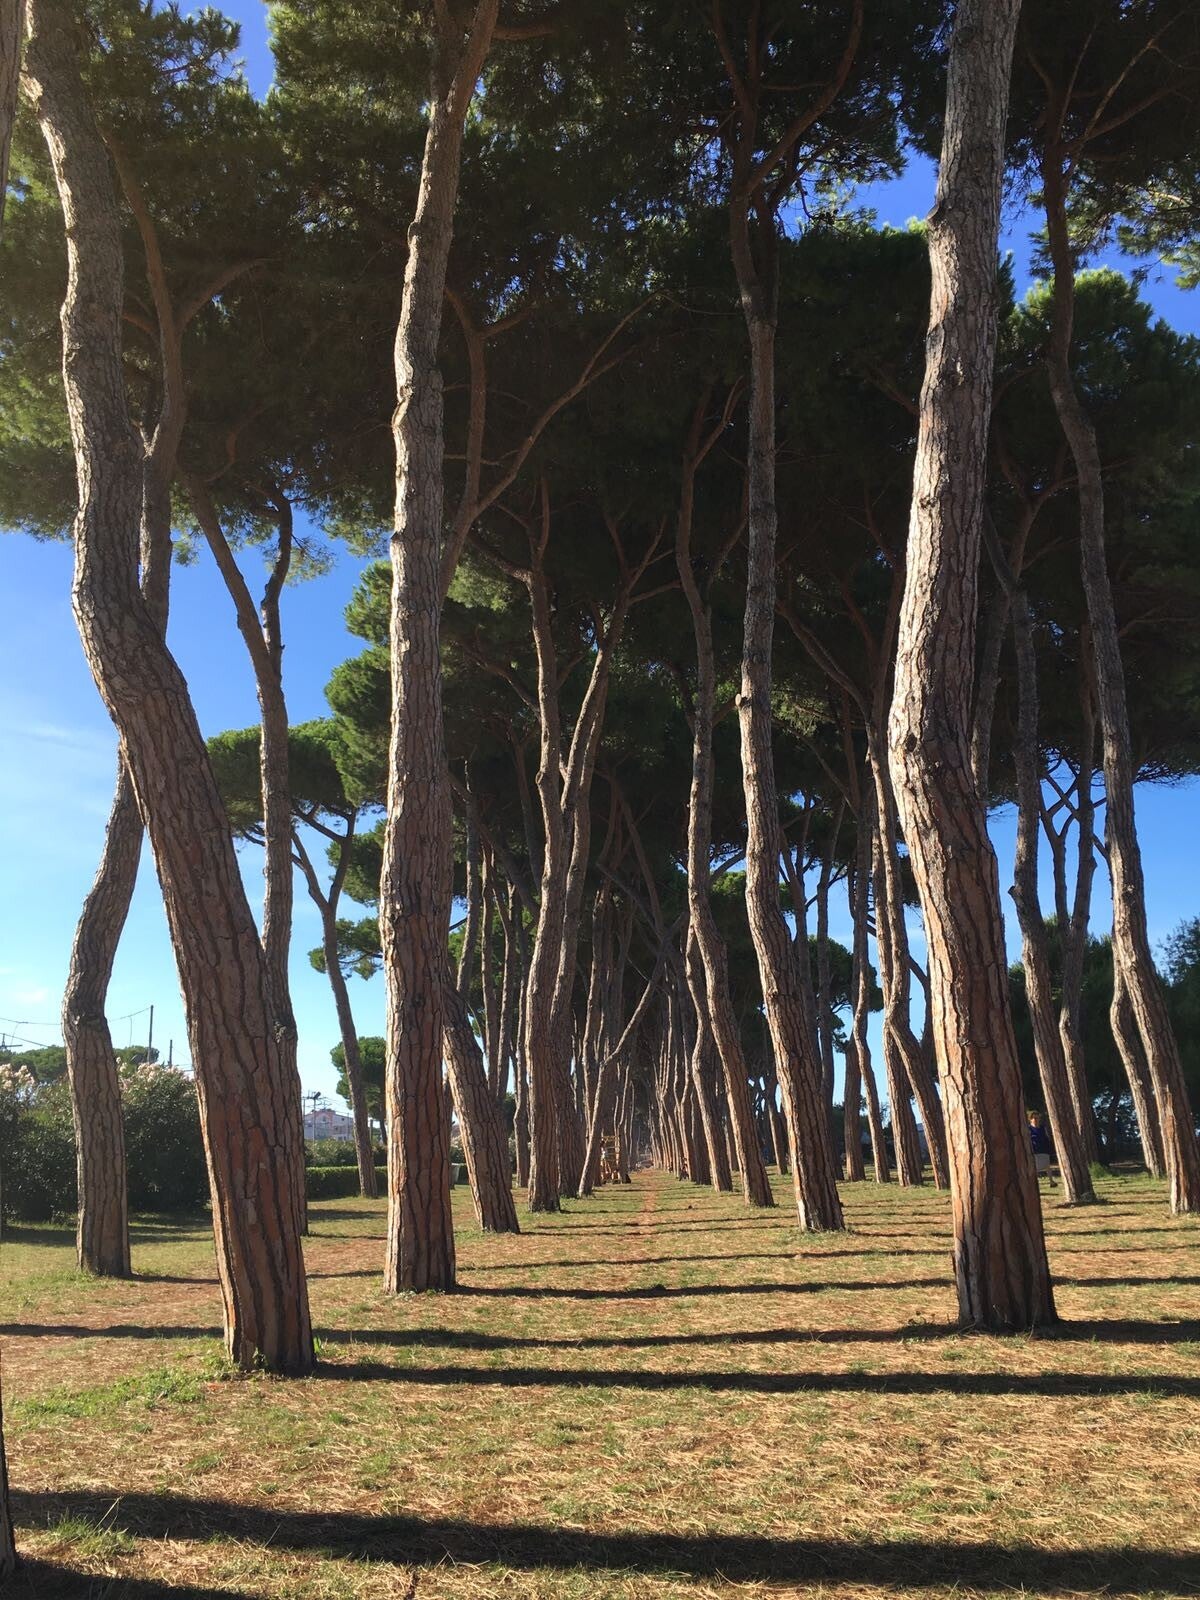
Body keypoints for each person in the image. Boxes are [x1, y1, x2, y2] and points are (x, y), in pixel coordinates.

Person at [1028, 1110, 1055, 1188]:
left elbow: (1047, 1138)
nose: (1036, 1120)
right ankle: (1035, 1183)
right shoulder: (1028, 1129)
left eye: (1037, 1118)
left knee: (1047, 1166)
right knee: (1034, 1167)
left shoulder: (1043, 1128)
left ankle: (1051, 1181)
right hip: (1034, 1151)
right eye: (1034, 1118)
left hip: (1044, 1149)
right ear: (1031, 1119)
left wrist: (1050, 1148)